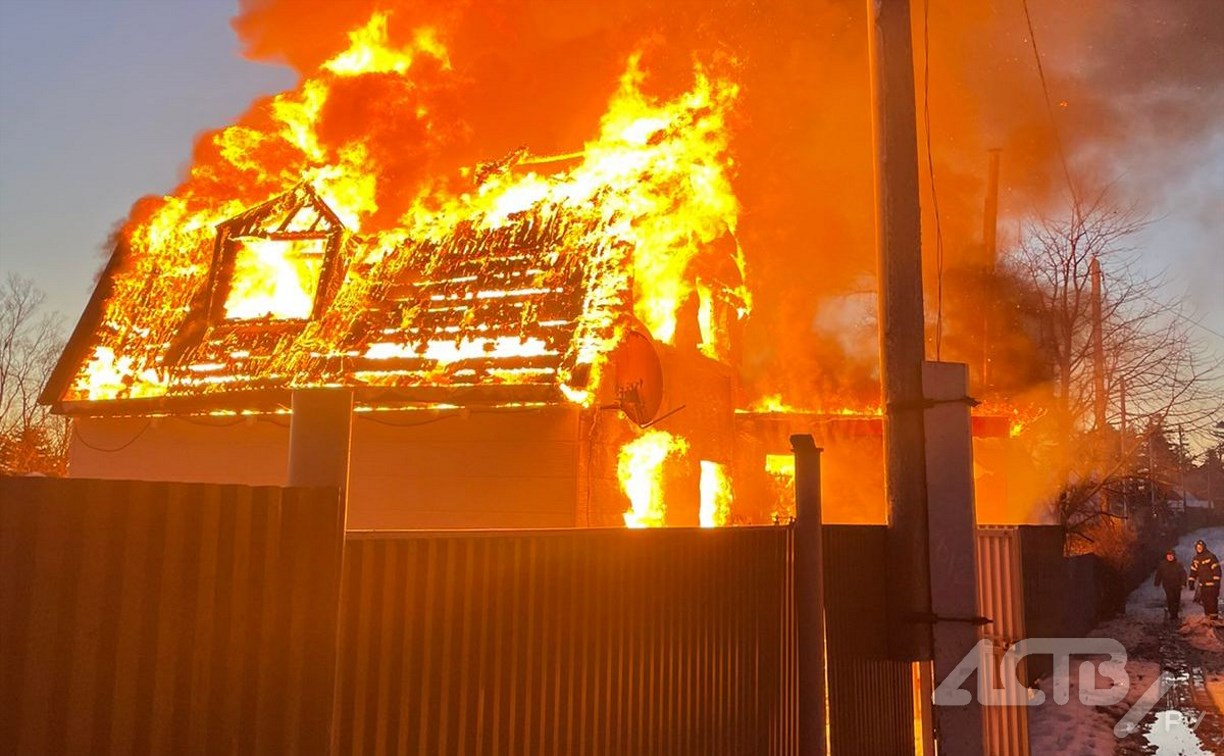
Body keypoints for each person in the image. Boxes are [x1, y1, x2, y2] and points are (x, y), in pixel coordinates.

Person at [1188, 539, 1221, 620]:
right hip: (1203, 585)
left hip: (1212, 585)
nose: (1199, 548)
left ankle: (1214, 621)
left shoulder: (1211, 556)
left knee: (1212, 602)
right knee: (1205, 602)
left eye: (1200, 547)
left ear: (1204, 547)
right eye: (1197, 547)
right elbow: (1193, 571)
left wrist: (1216, 582)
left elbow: (1217, 570)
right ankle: (1208, 620)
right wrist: (1191, 581)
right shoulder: (1196, 559)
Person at [1154, 550, 1187, 621]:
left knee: (1176, 599)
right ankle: (1172, 615)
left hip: (1177, 585)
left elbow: (1183, 574)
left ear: (1174, 556)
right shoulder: (1162, 565)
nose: (1170, 557)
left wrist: (1183, 583)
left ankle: (1175, 614)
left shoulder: (1178, 564)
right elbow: (1159, 574)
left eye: (1171, 555)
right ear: (1166, 556)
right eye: (1168, 555)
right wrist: (1157, 582)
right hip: (1167, 585)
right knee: (1170, 598)